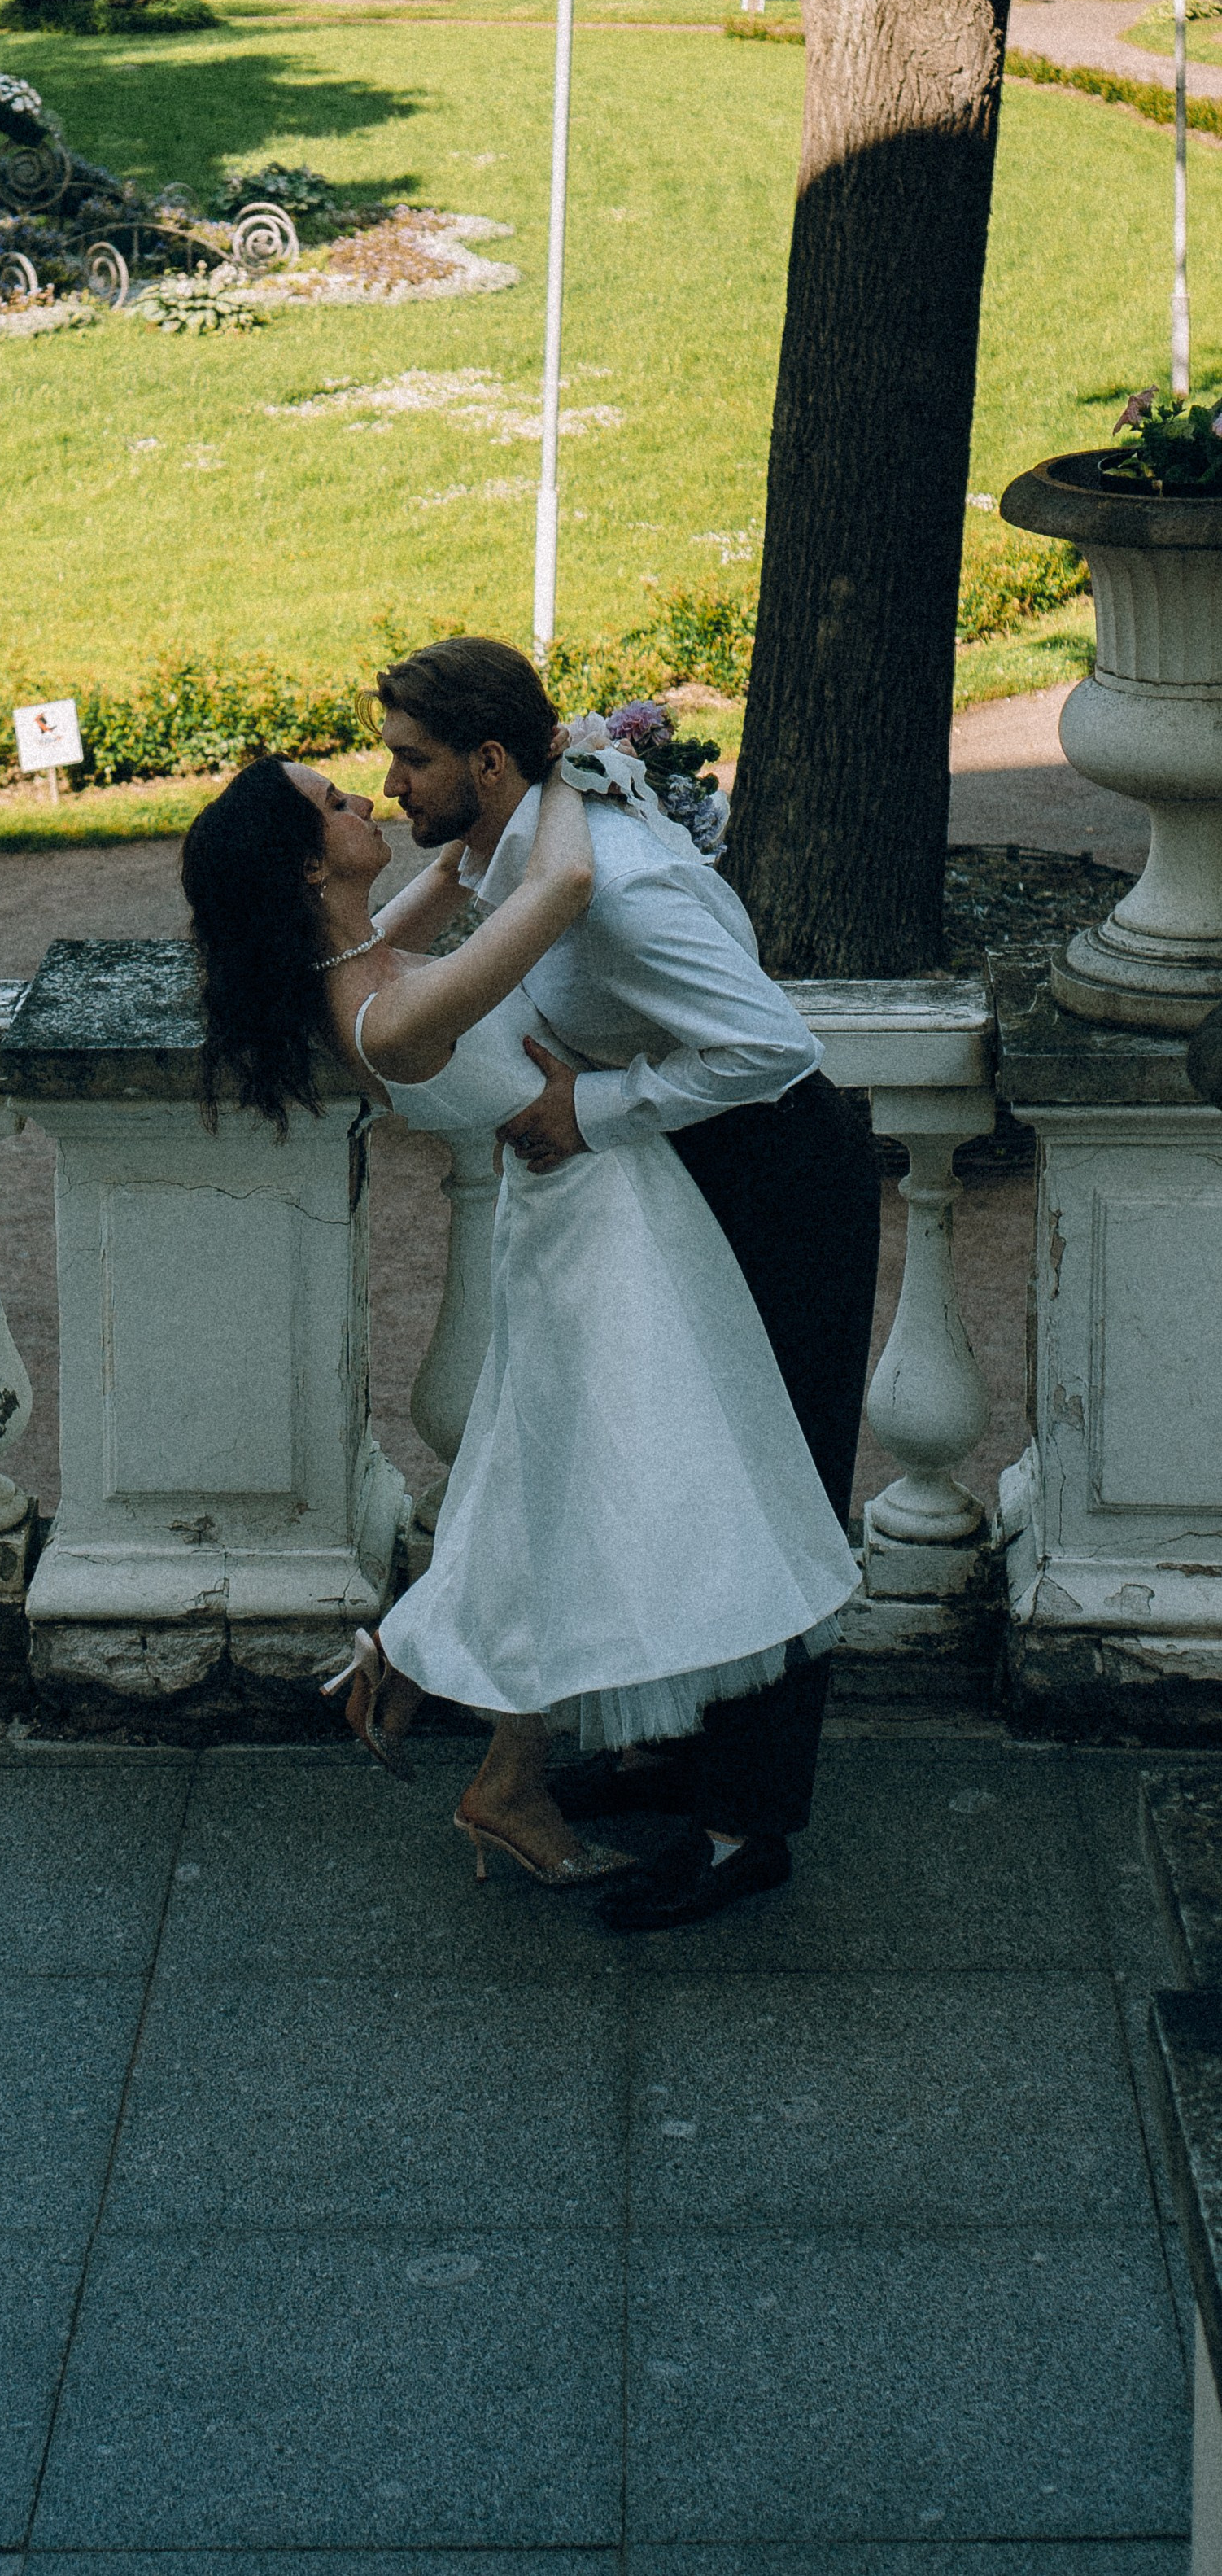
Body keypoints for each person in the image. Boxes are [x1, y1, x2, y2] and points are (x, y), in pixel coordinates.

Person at [180, 716, 866, 1912]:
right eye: (339, 802)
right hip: (602, 1235)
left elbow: (454, 872)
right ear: (306, 865)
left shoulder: (361, 958)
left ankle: (481, 1724)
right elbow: (562, 882)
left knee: (557, 1491)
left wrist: (543, 767)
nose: (372, 804)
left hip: (590, 1223)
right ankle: (527, 1742)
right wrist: (565, 765)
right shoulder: (397, 1011)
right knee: (652, 1495)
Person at [370, 636, 881, 1927]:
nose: (391, 786)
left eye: (412, 761)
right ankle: (679, 1752)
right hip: (687, 1177)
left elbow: (773, 1042)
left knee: (765, 1486)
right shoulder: (540, 838)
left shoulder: (621, 882)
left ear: (490, 761)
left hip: (777, 1184)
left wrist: (594, 1107)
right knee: (669, 1472)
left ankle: (743, 1827)